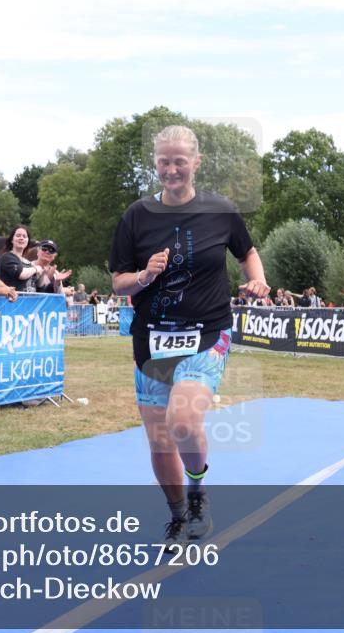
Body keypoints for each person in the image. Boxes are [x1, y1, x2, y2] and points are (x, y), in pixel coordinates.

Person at [108, 125, 269, 548]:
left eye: (180, 161)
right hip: (151, 339)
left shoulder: (220, 210)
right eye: (163, 161)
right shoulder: (136, 216)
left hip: (206, 333)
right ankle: (179, 515)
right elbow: (118, 283)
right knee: (160, 442)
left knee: (182, 421)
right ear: (155, 164)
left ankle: (198, 493)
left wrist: (258, 280)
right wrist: (144, 276)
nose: (171, 169)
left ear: (196, 162)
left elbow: (248, 252)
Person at [0, 225, 42, 291]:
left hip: (30, 297)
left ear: (28, 241)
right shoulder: (6, 257)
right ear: (12, 240)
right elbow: (21, 274)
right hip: (12, 297)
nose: (21, 238)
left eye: (24, 236)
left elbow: (39, 285)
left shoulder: (28, 262)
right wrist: (36, 268)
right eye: (18, 235)